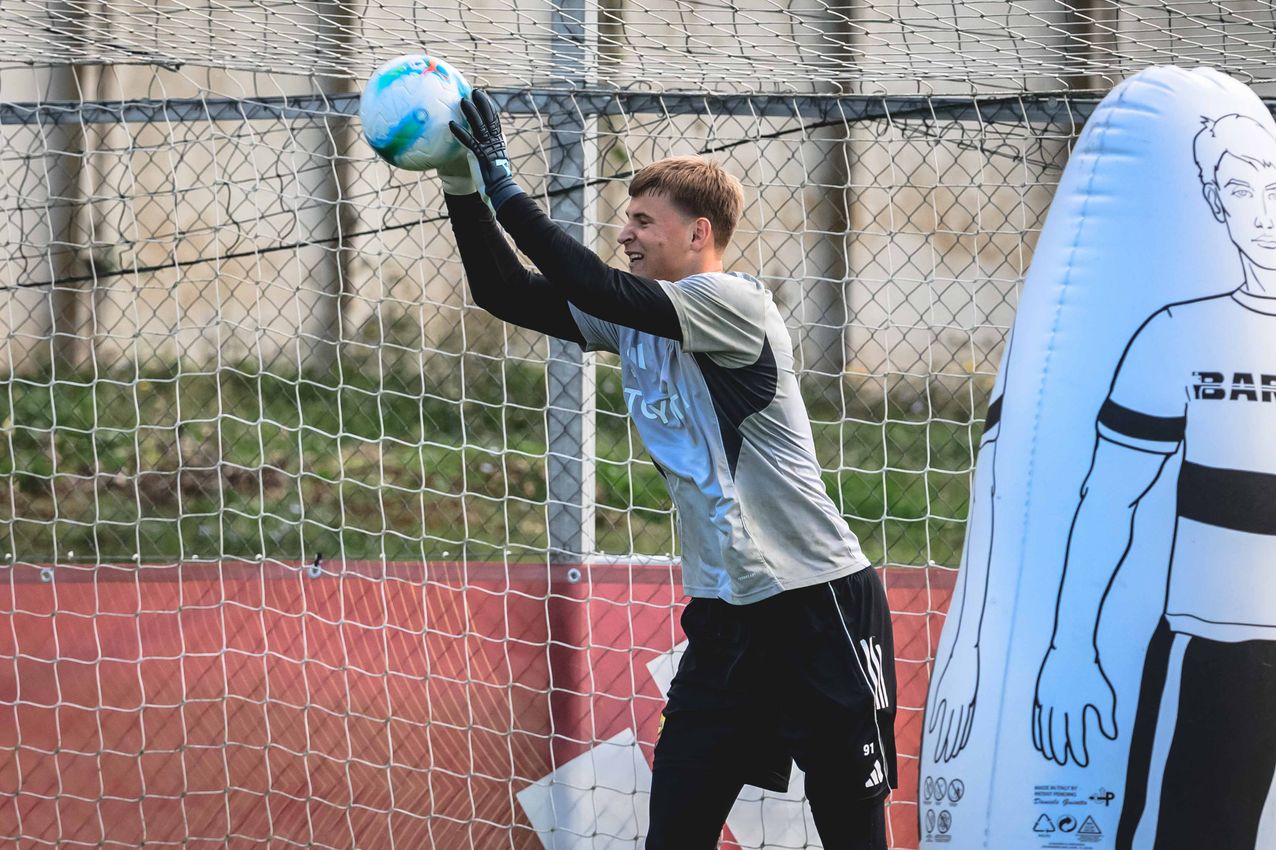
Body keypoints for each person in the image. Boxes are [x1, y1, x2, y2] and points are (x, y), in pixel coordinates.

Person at [439, 90, 898, 849]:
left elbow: (592, 286)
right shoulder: (639, 317)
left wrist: (503, 180)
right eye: (626, 220)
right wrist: (462, 183)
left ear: (699, 234)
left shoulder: (733, 303)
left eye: (642, 222)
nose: (625, 234)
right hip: (726, 620)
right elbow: (506, 291)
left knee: (852, 833)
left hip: (820, 608)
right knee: (675, 829)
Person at [1032, 112, 1276, 849]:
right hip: (1215, 655)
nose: (1263, 212)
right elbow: (1108, 498)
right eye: (1241, 189)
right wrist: (1070, 649)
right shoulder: (1176, 333)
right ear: (1213, 200)